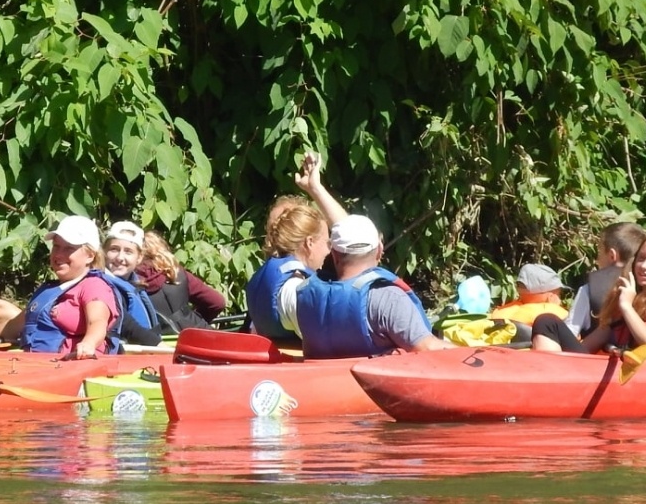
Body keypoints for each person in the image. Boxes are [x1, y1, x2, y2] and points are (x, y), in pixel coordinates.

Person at [292, 215, 453, 358]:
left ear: (334, 254)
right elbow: (428, 349)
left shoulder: (305, 295)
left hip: (324, 387)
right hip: (370, 391)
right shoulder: (387, 297)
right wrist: (475, 353)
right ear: (379, 250)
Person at [532, 231, 646, 353]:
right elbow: (585, 349)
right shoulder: (628, 297)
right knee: (547, 323)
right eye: (641, 258)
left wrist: (627, 307)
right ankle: (550, 379)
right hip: (612, 374)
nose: (644, 266)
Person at [246, 153, 348, 341]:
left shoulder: (265, 277)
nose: (329, 250)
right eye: (327, 243)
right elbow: (353, 236)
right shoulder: (295, 291)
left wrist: (316, 188)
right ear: (309, 243)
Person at [0, 216, 122, 358]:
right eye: (56, 246)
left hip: (71, 369)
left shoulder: (94, 286)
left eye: (69, 248)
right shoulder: (48, 290)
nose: (59, 254)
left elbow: (97, 322)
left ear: (90, 256)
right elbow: (12, 327)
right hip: (35, 367)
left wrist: (89, 343)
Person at [562, 222, 646, 337]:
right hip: (638, 349)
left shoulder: (592, 286)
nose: (597, 260)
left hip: (596, 352)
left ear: (612, 256)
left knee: (546, 323)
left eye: (600, 252)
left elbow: (570, 331)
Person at [135, 230, 226, 331]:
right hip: (200, 334)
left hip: (163, 342)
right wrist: (193, 319)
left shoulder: (129, 282)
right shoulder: (175, 272)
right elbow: (217, 302)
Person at [97, 221, 165, 347]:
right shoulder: (100, 285)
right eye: (114, 249)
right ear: (104, 252)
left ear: (139, 257)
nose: (120, 257)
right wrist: (158, 345)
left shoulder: (133, 283)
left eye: (128, 252)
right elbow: (125, 323)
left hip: (144, 351)